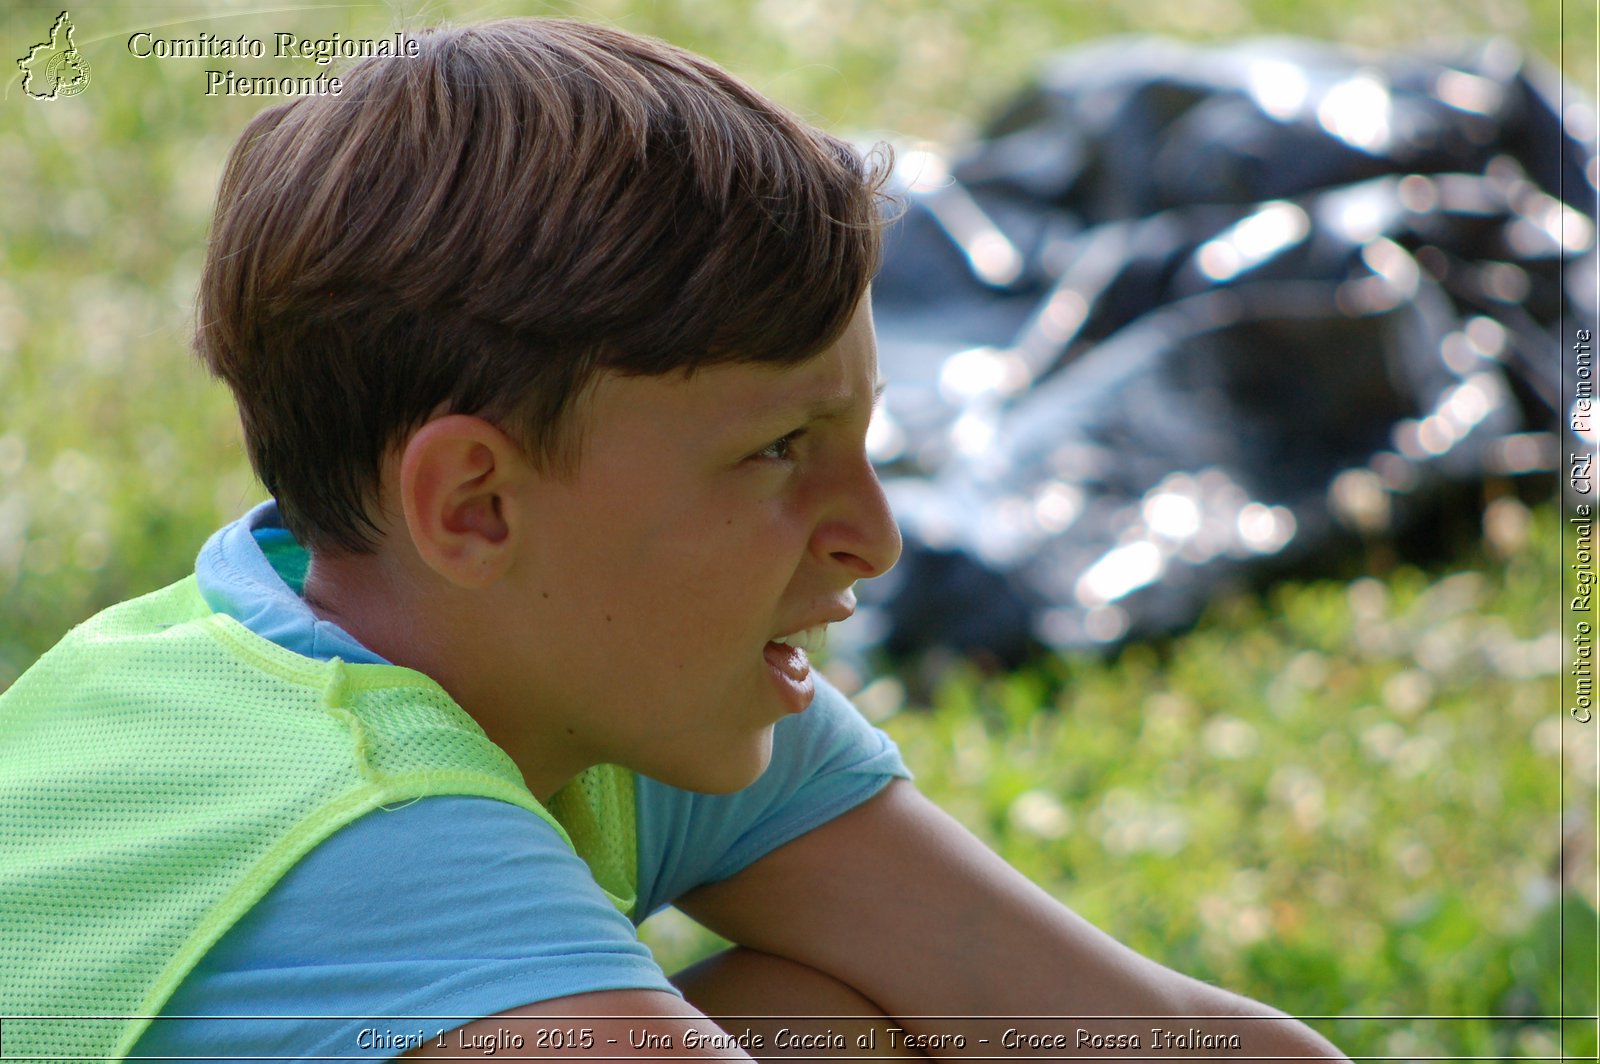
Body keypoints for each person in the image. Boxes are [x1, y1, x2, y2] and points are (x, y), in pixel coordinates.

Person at [0, 17, 1348, 1063]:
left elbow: (1137, 1034)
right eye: (776, 454)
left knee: (819, 1020)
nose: (872, 540)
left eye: (862, 443)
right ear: (474, 504)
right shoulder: (365, 815)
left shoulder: (620, 674)